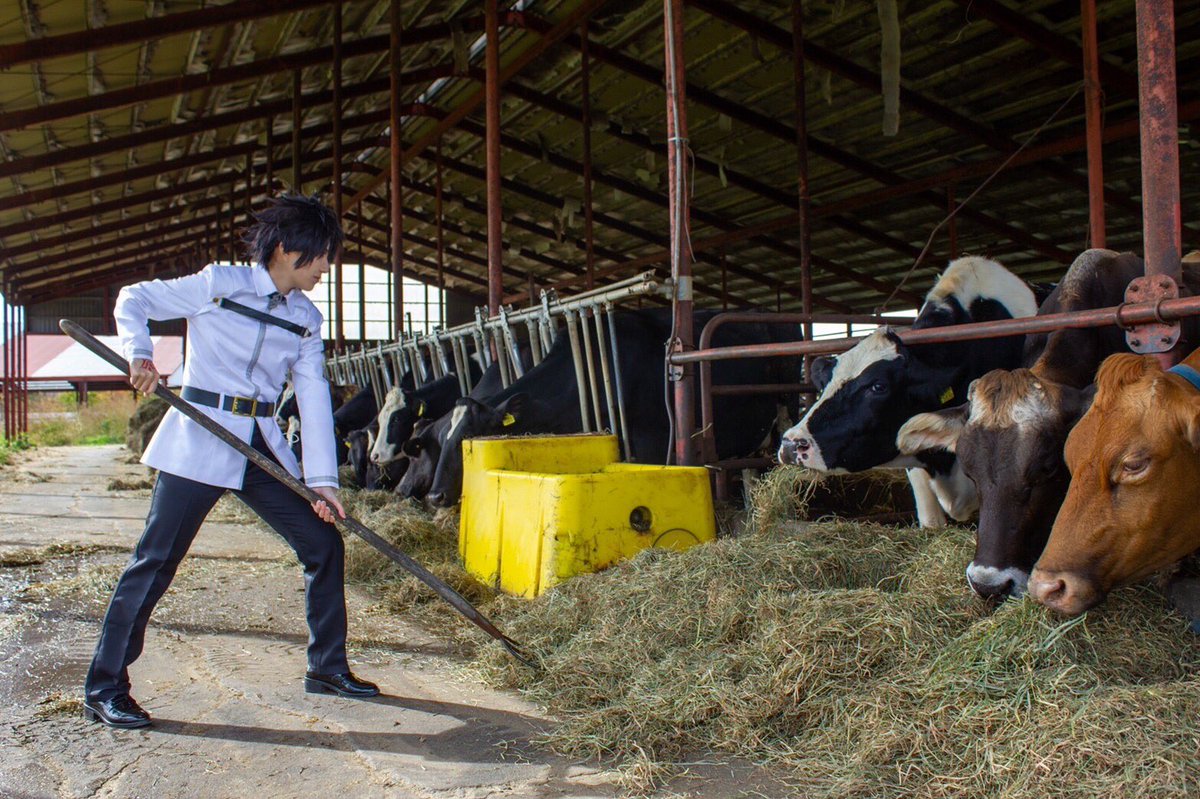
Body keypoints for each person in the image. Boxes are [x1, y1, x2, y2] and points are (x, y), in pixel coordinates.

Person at [83, 194, 379, 730]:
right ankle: (105, 686)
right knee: (156, 561)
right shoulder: (220, 284)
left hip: (261, 445)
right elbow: (134, 298)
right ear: (286, 249)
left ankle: (327, 667)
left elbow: (313, 395)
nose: (325, 267)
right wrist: (140, 354)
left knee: (323, 545)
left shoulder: (306, 318)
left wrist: (322, 482)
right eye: (320, 256)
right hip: (201, 436)